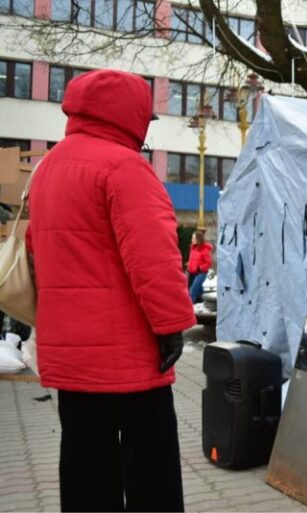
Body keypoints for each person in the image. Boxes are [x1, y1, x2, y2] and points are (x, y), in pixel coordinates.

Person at [26, 69, 196, 512]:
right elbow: (155, 258)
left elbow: (34, 250)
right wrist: (172, 326)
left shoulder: (48, 169)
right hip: (130, 358)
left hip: (71, 356)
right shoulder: (124, 168)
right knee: (151, 471)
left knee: (85, 467)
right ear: (129, 116)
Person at [187, 230, 213, 303]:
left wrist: (199, 268)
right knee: (199, 293)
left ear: (198, 239)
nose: (191, 240)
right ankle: (203, 304)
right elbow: (192, 260)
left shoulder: (204, 249)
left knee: (192, 292)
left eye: (193, 238)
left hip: (201, 273)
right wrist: (189, 266)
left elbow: (208, 263)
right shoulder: (193, 248)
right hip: (192, 273)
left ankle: (189, 309)